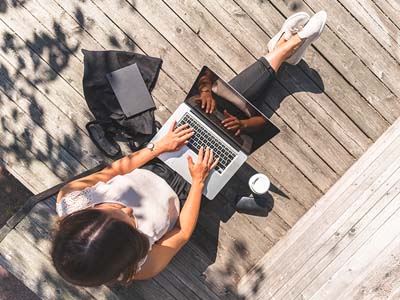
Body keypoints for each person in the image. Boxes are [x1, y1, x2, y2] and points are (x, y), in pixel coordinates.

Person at [52, 11, 327, 287]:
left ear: (84, 215)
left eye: (114, 209)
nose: (128, 211)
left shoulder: (70, 199)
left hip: (155, 160)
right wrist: (197, 182)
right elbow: (182, 233)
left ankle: (282, 52)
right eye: (130, 224)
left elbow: (115, 169)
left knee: (211, 112)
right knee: (233, 130)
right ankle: (282, 50)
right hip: (188, 192)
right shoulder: (141, 265)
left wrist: (156, 147)